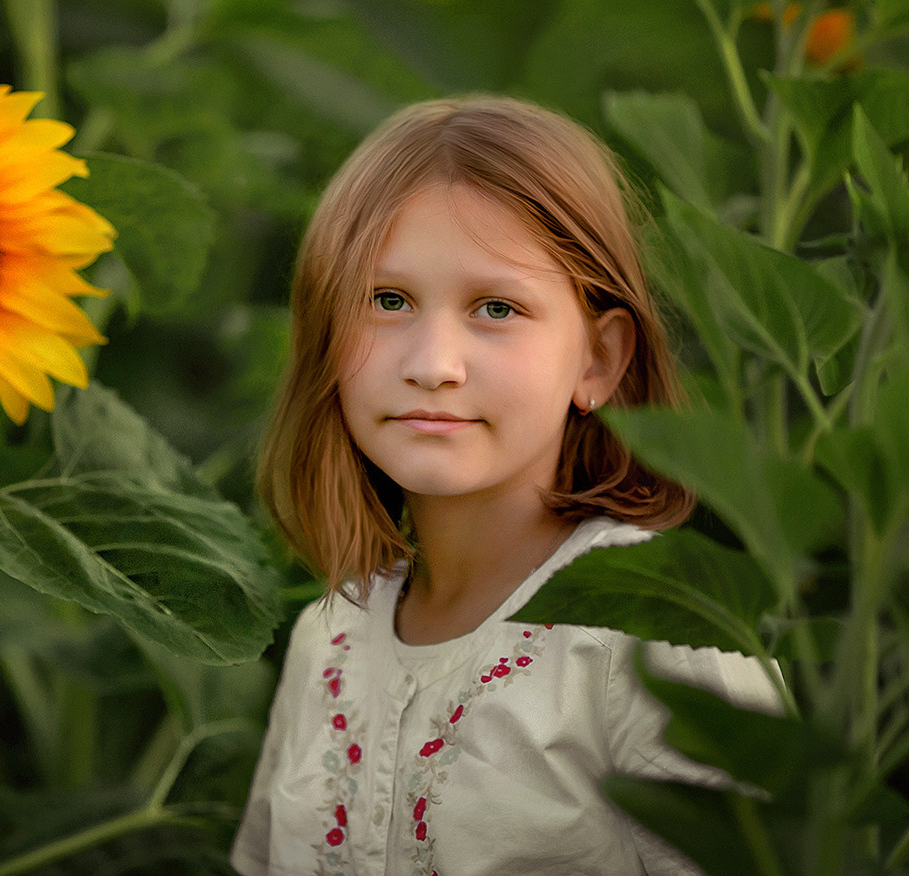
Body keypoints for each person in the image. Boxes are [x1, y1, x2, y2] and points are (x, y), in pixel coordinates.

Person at [230, 95, 781, 876]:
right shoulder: (331, 635)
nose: (433, 364)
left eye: (496, 307)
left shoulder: (663, 633)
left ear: (598, 360)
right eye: (387, 301)